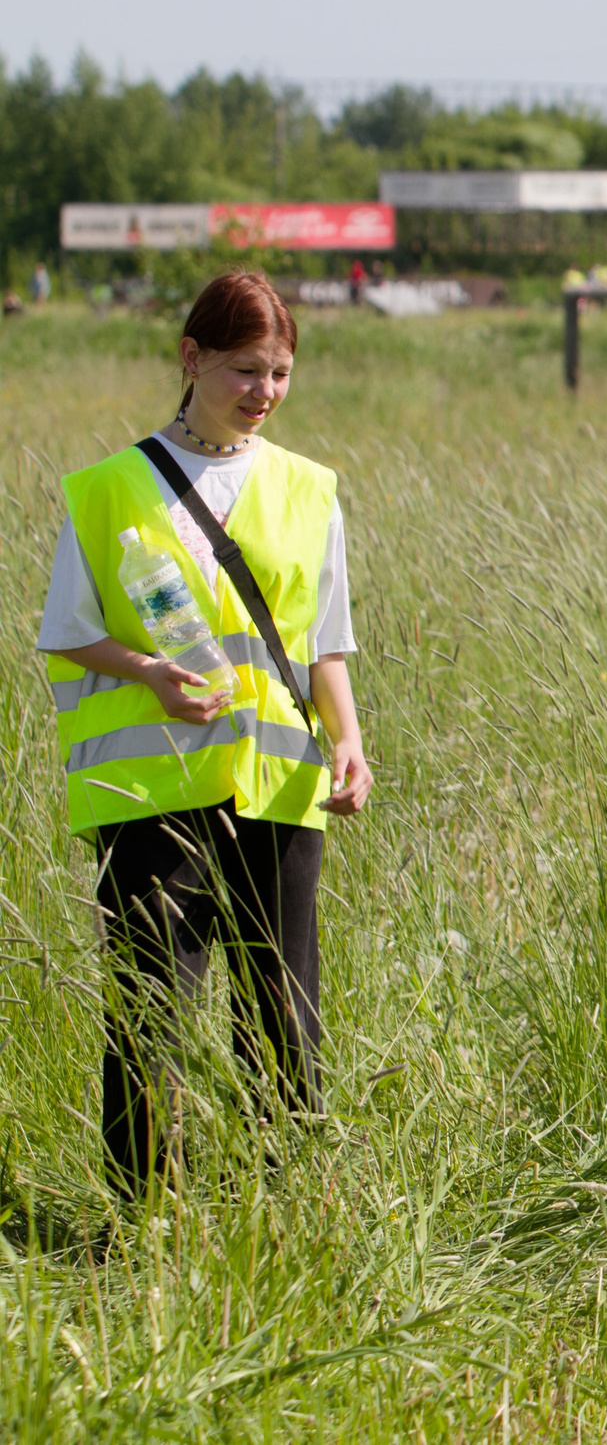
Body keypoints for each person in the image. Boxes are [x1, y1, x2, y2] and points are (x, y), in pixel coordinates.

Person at [40, 271, 372, 1198]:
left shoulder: (309, 489)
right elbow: (67, 630)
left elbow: (325, 644)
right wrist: (148, 671)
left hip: (280, 785)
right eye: (244, 370)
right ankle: (141, 1225)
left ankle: (286, 1207)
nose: (263, 392)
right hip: (152, 790)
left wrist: (349, 741)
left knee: (284, 1012)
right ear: (191, 359)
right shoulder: (110, 488)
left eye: (280, 373)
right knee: (151, 1015)